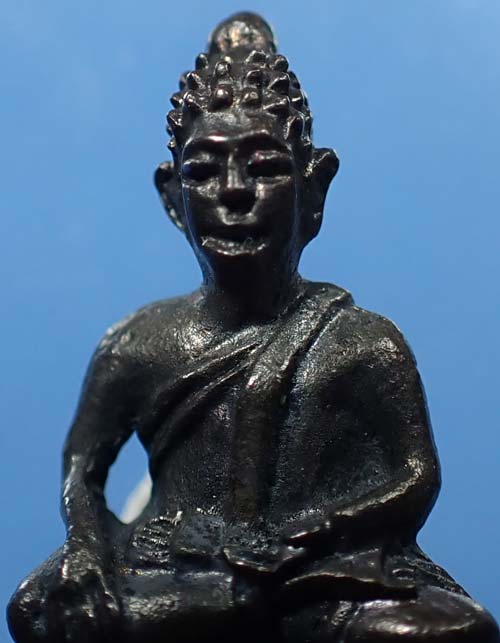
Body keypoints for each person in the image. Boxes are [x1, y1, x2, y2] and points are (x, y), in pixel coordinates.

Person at [8, 12, 499, 643]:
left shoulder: (362, 342)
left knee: (452, 628)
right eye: (203, 172)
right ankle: (228, 608)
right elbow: (83, 464)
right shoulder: (141, 343)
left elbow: (415, 476)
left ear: (314, 186)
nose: (234, 192)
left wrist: (316, 534)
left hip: (317, 571)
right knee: (39, 608)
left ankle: (239, 610)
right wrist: (84, 545)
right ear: (172, 197)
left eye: (265, 167)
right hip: (177, 560)